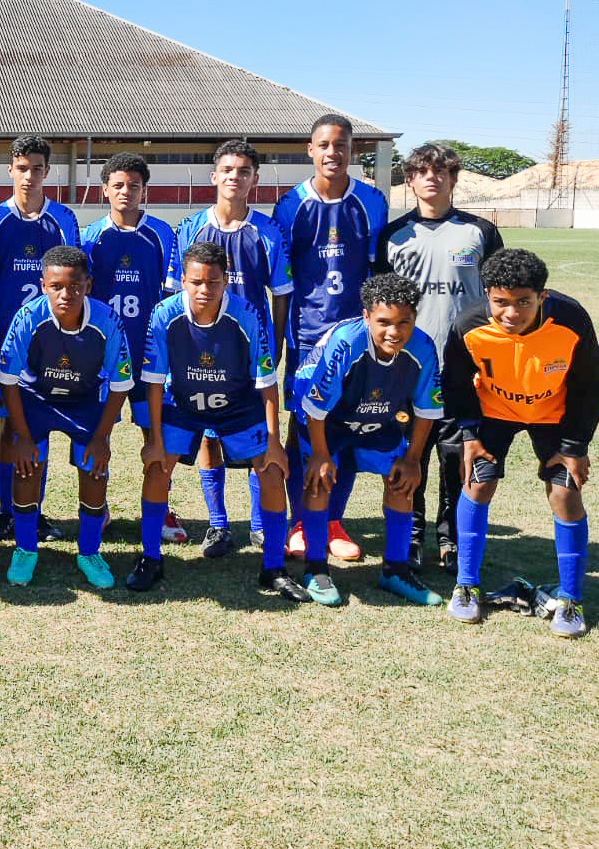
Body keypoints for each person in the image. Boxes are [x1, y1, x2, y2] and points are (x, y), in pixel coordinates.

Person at [442, 249, 599, 638]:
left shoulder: (571, 320)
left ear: (542, 296)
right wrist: (468, 434)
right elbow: (455, 384)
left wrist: (574, 446)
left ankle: (571, 599)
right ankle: (465, 585)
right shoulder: (468, 324)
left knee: (565, 493)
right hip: (493, 412)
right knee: (477, 481)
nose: (511, 313)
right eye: (500, 302)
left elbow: (592, 384)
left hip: (553, 414)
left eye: (523, 302)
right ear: (487, 295)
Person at [137, 241, 308, 600]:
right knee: (156, 468)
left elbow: (266, 385)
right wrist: (153, 439)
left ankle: (273, 567)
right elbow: (153, 383)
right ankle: (150, 558)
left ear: (225, 281)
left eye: (213, 283)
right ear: (182, 280)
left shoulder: (246, 313)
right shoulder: (164, 314)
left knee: (272, 469)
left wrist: (274, 442)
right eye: (196, 281)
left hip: (236, 405)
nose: (204, 290)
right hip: (182, 403)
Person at [376, 142, 503, 572]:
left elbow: (499, 299)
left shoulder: (479, 232)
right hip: (407, 371)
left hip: (463, 369)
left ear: (453, 178)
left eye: (441, 171)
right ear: (409, 181)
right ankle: (410, 537)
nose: (432, 178)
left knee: (456, 458)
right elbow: (381, 304)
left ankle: (449, 539)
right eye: (423, 172)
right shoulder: (394, 236)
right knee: (408, 457)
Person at [273, 113, 388, 561]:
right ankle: (300, 520)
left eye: (341, 145)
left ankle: (333, 519)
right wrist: (282, 340)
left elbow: (379, 272)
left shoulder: (372, 201)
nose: (332, 153)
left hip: (358, 338)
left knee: (346, 430)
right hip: (307, 338)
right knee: (303, 427)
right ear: (311, 150)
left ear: (351, 151)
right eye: (324, 145)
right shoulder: (290, 206)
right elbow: (282, 281)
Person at [169, 140, 293, 556]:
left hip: (247, 353)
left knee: (257, 437)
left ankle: (259, 524)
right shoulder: (190, 228)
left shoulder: (267, 231)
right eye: (227, 169)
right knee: (208, 435)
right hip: (200, 352)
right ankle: (218, 525)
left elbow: (281, 294)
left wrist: (273, 345)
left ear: (254, 179)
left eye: (243, 171)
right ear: (214, 176)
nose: (234, 177)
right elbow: (172, 296)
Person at [293, 274, 445, 606]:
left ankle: (395, 569)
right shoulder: (347, 342)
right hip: (324, 418)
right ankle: (316, 568)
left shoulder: (422, 347)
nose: (395, 331)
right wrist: (320, 456)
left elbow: (427, 410)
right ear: (366, 317)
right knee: (318, 482)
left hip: (377, 417)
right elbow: (316, 408)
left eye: (404, 321)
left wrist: (413, 459)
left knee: (401, 480)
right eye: (384, 322)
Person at [0, 245, 132, 588]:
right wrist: (22, 437)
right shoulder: (28, 316)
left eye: (74, 286)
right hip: (35, 399)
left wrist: (102, 438)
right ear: (43, 285)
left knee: (94, 469)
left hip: (84, 400)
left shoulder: (106, 320)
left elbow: (120, 384)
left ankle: (89, 551)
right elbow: (9, 380)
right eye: (56, 286)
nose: (65, 294)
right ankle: (26, 548)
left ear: (87, 284)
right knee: (27, 467)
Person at [0, 136, 80, 542]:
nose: (29, 175)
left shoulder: (63, 220)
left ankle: (32, 509)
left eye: (37, 168)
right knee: (7, 425)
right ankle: (5, 510)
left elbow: (71, 278)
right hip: (7, 340)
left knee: (39, 426)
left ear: (46, 172)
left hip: (53, 345)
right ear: (10, 170)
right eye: (22, 167)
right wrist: (13, 318)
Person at [79, 152, 182, 543]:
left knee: (153, 434)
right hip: (103, 356)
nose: (125, 192)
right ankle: (97, 508)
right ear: (105, 189)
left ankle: (163, 510)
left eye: (133, 186)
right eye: (118, 185)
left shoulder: (160, 234)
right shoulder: (89, 237)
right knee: (98, 432)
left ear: (145, 190)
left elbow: (171, 299)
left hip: (148, 352)